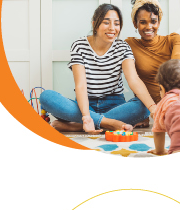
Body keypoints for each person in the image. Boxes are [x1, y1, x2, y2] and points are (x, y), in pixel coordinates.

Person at [39, 3, 154, 133]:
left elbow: (134, 80)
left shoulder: (123, 47)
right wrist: (86, 116)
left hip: (115, 105)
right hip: (85, 106)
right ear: (94, 24)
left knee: (144, 107)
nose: (112, 28)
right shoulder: (79, 45)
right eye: (106, 22)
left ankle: (78, 125)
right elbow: (80, 85)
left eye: (116, 23)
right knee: (46, 97)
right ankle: (107, 123)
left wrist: (154, 108)